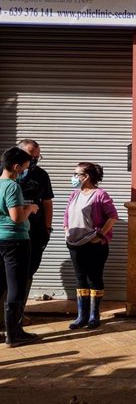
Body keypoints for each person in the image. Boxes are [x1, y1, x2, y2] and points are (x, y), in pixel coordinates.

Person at [64, 162, 119, 330]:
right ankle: (82, 316)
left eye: (76, 174)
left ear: (86, 176)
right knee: (80, 278)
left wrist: (100, 235)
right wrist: (67, 231)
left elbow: (112, 216)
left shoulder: (100, 194)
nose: (74, 177)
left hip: (94, 245)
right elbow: (67, 215)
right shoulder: (74, 194)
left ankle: (94, 315)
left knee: (94, 278)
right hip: (74, 244)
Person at [0, 147, 40, 347]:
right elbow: (17, 218)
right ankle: (14, 334)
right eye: (24, 167)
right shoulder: (11, 186)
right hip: (15, 240)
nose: (25, 171)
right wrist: (30, 208)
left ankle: (4, 330)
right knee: (16, 285)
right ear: (16, 167)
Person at [16, 139, 54, 324]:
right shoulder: (5, 174)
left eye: (37, 157)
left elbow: (47, 202)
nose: (34, 161)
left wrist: (47, 228)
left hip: (35, 233)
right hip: (10, 235)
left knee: (28, 273)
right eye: (31, 157)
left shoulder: (41, 175)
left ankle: (18, 314)